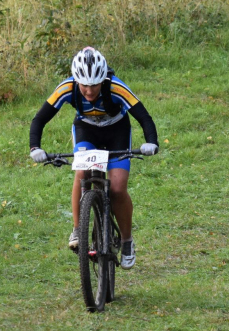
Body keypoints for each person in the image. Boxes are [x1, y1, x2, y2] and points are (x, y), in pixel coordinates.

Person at [29, 47, 159, 270]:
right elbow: (39, 119)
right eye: (84, 85)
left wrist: (151, 142)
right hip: (87, 131)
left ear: (103, 80)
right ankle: (78, 229)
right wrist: (35, 147)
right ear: (76, 80)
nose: (89, 91)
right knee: (82, 172)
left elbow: (143, 116)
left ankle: (127, 241)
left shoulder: (116, 87)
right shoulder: (66, 88)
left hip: (117, 131)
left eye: (95, 85)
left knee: (117, 188)